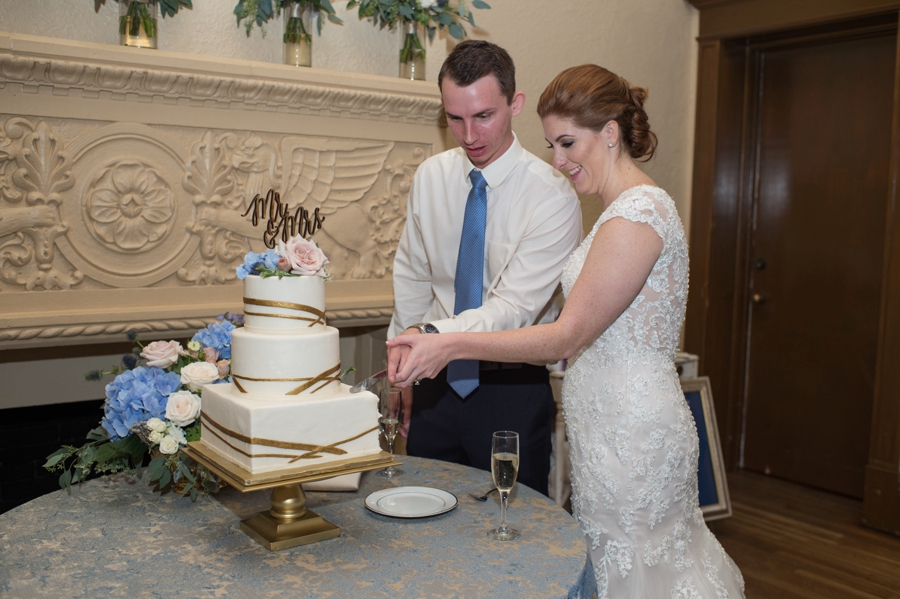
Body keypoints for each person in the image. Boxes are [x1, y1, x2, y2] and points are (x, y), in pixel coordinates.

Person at [387, 64, 745, 598]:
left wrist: (451, 342)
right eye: (552, 145)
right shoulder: (616, 212)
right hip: (607, 428)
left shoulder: (638, 215)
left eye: (568, 142)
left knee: (644, 570)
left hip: (634, 433)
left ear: (610, 131)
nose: (558, 161)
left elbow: (566, 335)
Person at [387, 40, 582, 496]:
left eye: (483, 116)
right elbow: (413, 275)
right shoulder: (431, 177)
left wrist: (437, 339)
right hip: (433, 386)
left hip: (509, 388)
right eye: (454, 118)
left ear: (515, 104)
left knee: (510, 529)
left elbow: (514, 307)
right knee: (425, 521)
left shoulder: (552, 196)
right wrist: (402, 366)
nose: (469, 134)